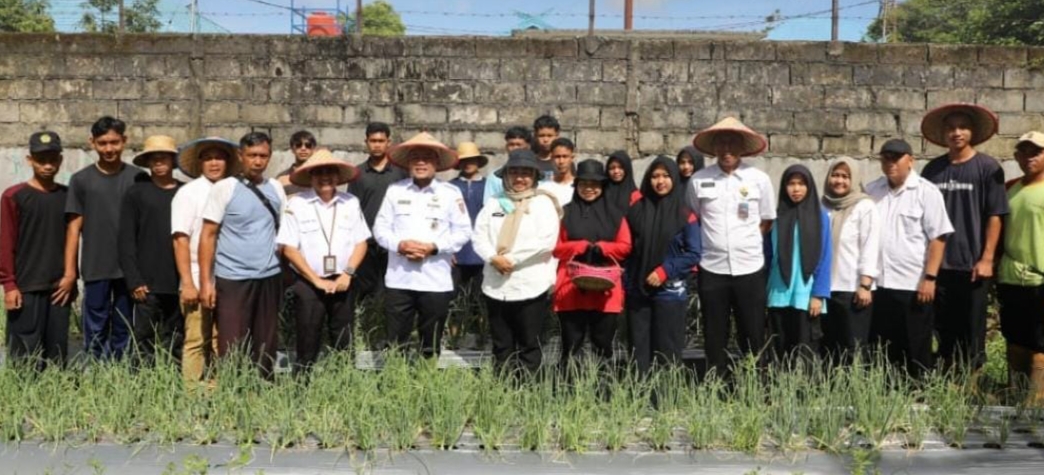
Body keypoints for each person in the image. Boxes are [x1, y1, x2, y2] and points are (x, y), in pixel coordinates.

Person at [920, 103, 1009, 372]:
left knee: (972, 328)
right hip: (938, 266)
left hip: (972, 265)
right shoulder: (932, 170)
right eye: (951, 128)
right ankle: (946, 375)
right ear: (943, 133)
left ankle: (972, 381)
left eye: (962, 127)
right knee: (941, 326)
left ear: (972, 132)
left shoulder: (987, 168)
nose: (956, 132)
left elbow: (995, 215)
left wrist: (987, 258)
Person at [687, 117, 775, 375]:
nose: (726, 149)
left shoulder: (759, 179)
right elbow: (694, 217)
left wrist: (744, 243)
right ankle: (717, 385)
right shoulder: (698, 180)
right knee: (715, 334)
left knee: (753, 331)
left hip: (750, 268)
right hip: (712, 268)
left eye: (732, 143)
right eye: (721, 143)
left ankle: (755, 384)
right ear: (714, 148)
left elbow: (767, 220)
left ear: (742, 147)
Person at [373, 133, 471, 359]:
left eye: (427, 158)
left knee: (431, 342)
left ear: (436, 162)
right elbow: (380, 229)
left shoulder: (450, 193)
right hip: (399, 279)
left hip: (434, 279)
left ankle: (428, 376)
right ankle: (396, 376)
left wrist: (434, 247)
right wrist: (400, 245)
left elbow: (463, 231)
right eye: (415, 158)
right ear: (408, 162)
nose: (421, 163)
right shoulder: (395, 190)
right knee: (396, 342)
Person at [199, 132, 287, 378]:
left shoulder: (276, 188)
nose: (257, 161)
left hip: (269, 276)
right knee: (232, 342)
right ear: (240, 156)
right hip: (233, 278)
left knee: (266, 341)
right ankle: (231, 389)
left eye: (263, 156)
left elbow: (284, 232)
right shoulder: (225, 188)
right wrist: (206, 283)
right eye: (252, 155)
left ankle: (263, 389)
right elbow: (208, 235)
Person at [866, 138, 953, 378]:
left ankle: (918, 391)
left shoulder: (926, 192)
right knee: (883, 346)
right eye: (886, 158)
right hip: (879, 283)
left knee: (915, 344)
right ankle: (886, 391)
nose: (891, 163)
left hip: (912, 283)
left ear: (911, 161)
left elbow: (938, 237)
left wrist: (930, 278)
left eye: (897, 158)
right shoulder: (872, 191)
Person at [277, 149, 368, 372]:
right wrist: (316, 280)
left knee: (344, 337)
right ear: (310, 176)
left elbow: (361, 242)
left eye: (330, 172)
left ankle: (345, 381)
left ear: (338, 176)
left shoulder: (350, 202)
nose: (325, 177)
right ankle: (302, 385)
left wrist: (347, 273)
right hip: (308, 282)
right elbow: (289, 248)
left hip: (343, 280)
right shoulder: (296, 204)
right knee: (307, 338)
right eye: (318, 172)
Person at [473, 149, 562, 374]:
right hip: (495, 283)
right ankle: (502, 388)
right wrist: (493, 258)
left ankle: (528, 389)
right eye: (514, 172)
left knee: (529, 343)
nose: (520, 178)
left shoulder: (543, 203)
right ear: (506, 175)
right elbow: (479, 236)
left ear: (534, 176)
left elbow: (546, 241)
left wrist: (511, 259)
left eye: (526, 173)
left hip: (530, 283)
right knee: (501, 343)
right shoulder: (494, 202)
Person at [64, 116, 144, 360]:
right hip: (96, 266)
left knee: (124, 324)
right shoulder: (81, 180)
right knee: (95, 326)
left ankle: (120, 371)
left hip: (129, 269)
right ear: (92, 143)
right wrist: (70, 272)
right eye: (102, 143)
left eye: (114, 142)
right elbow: (73, 229)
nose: (109, 149)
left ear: (124, 141)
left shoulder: (138, 177)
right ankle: (95, 371)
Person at [1, 132, 72, 370]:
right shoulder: (14, 196)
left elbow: (73, 239)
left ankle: (55, 391)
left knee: (57, 354)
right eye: (41, 160)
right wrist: (9, 285)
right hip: (26, 286)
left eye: (52, 159)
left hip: (59, 288)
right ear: (30, 160)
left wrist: (70, 277)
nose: (47, 166)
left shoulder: (68, 196)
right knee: (24, 355)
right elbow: (5, 242)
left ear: (60, 160)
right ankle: (23, 393)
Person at [625, 156, 702, 375]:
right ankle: (638, 393)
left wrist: (665, 270)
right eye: (655, 176)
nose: (660, 181)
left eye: (666, 176)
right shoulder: (636, 211)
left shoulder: (685, 215)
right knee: (638, 351)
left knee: (667, 351)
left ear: (674, 178)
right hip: (638, 292)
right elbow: (628, 250)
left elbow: (694, 253)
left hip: (669, 293)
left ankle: (666, 395)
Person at [553, 159, 632, 368]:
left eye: (594, 184)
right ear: (576, 185)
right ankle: (569, 384)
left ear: (603, 186)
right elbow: (556, 248)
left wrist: (604, 248)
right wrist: (578, 246)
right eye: (583, 184)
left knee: (603, 345)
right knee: (570, 347)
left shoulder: (616, 214)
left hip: (606, 289)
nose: (588, 188)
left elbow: (625, 246)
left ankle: (602, 385)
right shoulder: (565, 213)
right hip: (571, 287)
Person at [171, 136, 238, 382]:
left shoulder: (235, 189)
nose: (214, 163)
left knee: (223, 339)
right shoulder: (189, 193)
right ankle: (192, 394)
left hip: (228, 276)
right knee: (197, 339)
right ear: (200, 162)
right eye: (208, 158)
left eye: (219, 158)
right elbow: (180, 239)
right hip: (198, 276)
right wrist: (188, 282)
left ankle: (218, 389)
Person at [118, 135, 184, 366]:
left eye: (164, 157)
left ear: (173, 161)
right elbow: (126, 239)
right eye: (153, 158)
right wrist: (134, 280)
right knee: (144, 339)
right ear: (147, 163)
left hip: (178, 281)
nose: (159, 162)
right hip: (146, 284)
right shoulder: (136, 193)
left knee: (175, 337)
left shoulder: (185, 192)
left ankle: (172, 379)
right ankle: (141, 381)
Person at [765, 165, 832, 360]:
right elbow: (767, 255)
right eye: (791, 184)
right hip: (777, 293)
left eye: (801, 184)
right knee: (779, 351)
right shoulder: (775, 217)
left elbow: (825, 256)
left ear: (809, 187)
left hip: (805, 294)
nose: (796, 189)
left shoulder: (820, 217)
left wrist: (818, 294)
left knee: (805, 352)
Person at [997, 131, 1044, 403]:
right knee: (1014, 340)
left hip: (1040, 279)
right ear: (1016, 157)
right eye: (1024, 152)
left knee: (1039, 344)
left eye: (1036, 152)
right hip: (1011, 278)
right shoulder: (1010, 188)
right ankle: (1015, 396)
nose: (1029, 158)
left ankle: (1036, 401)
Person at [820, 158, 880, 361]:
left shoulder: (865, 206)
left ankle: (855, 381)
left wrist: (865, 284)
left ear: (854, 179)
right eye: (835, 175)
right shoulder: (822, 205)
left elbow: (870, 246)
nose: (839, 181)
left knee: (853, 346)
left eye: (846, 176)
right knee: (828, 346)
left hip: (852, 289)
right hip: (825, 288)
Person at [350, 122, 407, 303]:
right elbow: (352, 209)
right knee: (366, 290)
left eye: (381, 141)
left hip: (394, 241)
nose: (377, 145)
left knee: (392, 290)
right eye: (373, 141)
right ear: (366, 142)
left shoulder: (401, 172)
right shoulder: (357, 173)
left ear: (388, 142)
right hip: (367, 242)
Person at [449, 142, 488, 291]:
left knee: (480, 295)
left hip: (483, 248)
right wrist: (448, 250)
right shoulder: (450, 187)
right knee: (454, 295)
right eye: (463, 160)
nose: (468, 163)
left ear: (478, 161)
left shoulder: (489, 186)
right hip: (456, 250)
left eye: (471, 159)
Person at [483, 126, 533, 203]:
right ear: (506, 147)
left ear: (528, 146)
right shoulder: (494, 177)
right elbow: (489, 203)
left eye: (519, 145)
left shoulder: (535, 173)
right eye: (511, 145)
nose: (515, 148)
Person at [276, 130, 318, 196]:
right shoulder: (282, 178)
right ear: (292, 149)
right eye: (298, 145)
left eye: (308, 145)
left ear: (313, 149)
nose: (303, 148)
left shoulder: (320, 175)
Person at [538, 137, 577, 206]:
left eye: (565, 156)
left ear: (572, 158)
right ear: (551, 158)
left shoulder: (578, 187)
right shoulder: (543, 186)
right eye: (557, 157)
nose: (561, 161)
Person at [604, 150, 641, 214]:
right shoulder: (602, 191)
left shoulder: (635, 195)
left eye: (621, 167)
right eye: (612, 168)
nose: (616, 171)